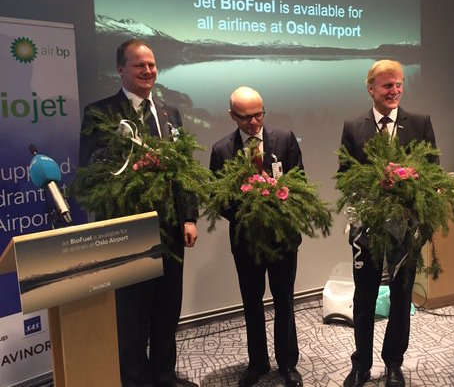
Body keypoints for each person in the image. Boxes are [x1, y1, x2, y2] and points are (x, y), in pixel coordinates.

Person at [79, 39, 199, 387]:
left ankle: (164, 375)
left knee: (167, 310)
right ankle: (135, 380)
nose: (148, 71)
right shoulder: (100, 113)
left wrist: (188, 217)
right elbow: (91, 169)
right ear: (120, 69)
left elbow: (183, 170)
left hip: (171, 228)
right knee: (131, 316)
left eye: (151, 64)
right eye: (139, 65)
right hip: (128, 230)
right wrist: (133, 169)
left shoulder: (168, 113)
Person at [338, 60, 436, 387]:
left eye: (398, 84)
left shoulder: (419, 123)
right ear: (371, 89)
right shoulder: (353, 127)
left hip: (406, 227)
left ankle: (394, 362)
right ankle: (361, 365)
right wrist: (372, 185)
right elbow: (344, 176)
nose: (394, 91)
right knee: (364, 297)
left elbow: (433, 172)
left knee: (401, 295)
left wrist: (411, 184)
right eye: (387, 86)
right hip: (366, 227)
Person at [209, 87, 304, 387]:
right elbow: (219, 197)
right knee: (252, 302)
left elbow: (299, 183)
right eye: (246, 117)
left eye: (259, 114)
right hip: (246, 240)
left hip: (283, 238)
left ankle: (288, 364)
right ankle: (258, 362)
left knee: (285, 301)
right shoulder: (221, 150)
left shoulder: (285, 139)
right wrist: (249, 214)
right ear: (232, 116)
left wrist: (279, 207)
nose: (254, 122)